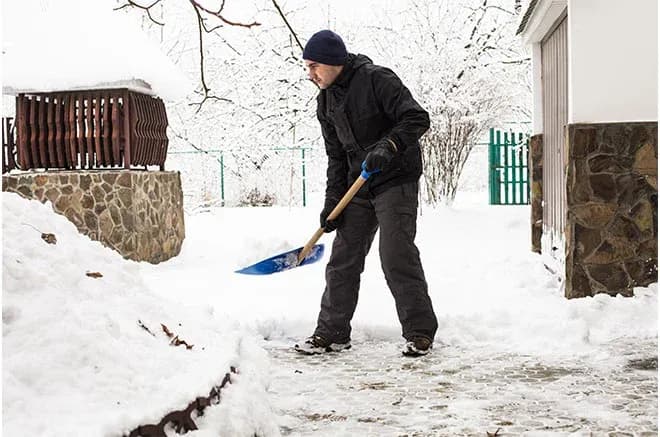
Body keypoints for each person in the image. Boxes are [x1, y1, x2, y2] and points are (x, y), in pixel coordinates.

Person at [294, 30, 438, 357]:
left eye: (314, 66)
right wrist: (333, 205)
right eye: (307, 67)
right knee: (343, 257)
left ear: (333, 61)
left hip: (395, 178)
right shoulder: (326, 101)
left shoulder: (377, 79)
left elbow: (416, 118)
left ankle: (419, 332)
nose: (311, 74)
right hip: (358, 183)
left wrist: (389, 145)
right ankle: (332, 334)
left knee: (395, 253)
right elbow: (336, 158)